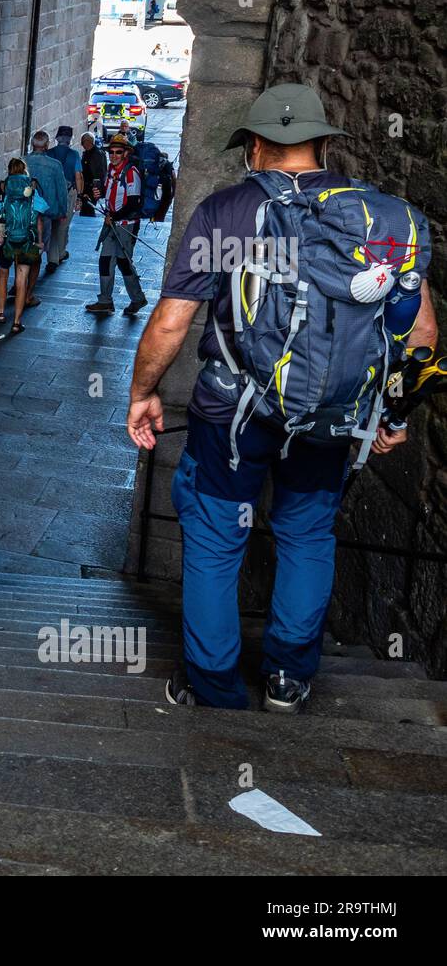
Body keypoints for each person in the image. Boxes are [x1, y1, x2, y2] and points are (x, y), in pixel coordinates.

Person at [126, 82, 439, 712]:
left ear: (259, 145)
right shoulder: (382, 220)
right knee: (307, 533)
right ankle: (288, 679)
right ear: (323, 143)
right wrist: (394, 414)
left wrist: (142, 392)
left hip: (235, 413)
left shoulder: (228, 213)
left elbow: (171, 321)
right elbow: (423, 334)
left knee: (216, 539)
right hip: (334, 417)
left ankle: (213, 687)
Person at [85, 134, 148, 316]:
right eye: (111, 152)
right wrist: (96, 192)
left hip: (126, 225)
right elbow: (108, 191)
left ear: (126, 153)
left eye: (118, 152)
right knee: (105, 260)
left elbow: (134, 202)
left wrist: (114, 216)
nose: (113, 155)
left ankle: (138, 298)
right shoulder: (112, 170)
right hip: (112, 222)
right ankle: (105, 301)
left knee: (123, 262)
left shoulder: (131, 172)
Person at [0, 159, 47, 332]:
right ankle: (16, 322)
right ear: (25, 170)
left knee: (2, 274)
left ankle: (0, 313)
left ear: (9, 171)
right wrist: (40, 241)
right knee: (21, 279)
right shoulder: (32, 190)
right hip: (26, 240)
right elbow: (39, 218)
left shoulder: (3, 188)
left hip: (6, 240)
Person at [24, 131, 68, 308]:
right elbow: (61, 190)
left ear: (32, 144)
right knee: (38, 250)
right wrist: (62, 210)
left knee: (22, 246)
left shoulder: (22, 161)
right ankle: (28, 292)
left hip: (23, 212)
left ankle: (19, 282)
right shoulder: (55, 165)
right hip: (45, 214)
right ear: (47, 145)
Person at [44, 125, 83, 272]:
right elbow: (78, 177)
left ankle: (58, 254)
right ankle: (56, 257)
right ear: (70, 139)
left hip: (51, 193)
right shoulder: (74, 155)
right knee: (63, 225)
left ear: (57, 138)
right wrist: (80, 196)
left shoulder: (49, 153)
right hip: (68, 192)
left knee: (53, 225)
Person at [79, 132, 106, 218]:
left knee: (88, 209)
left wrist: (94, 189)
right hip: (89, 186)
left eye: (85, 142)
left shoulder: (96, 154)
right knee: (86, 209)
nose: (84, 145)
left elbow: (98, 173)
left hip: (92, 187)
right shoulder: (88, 153)